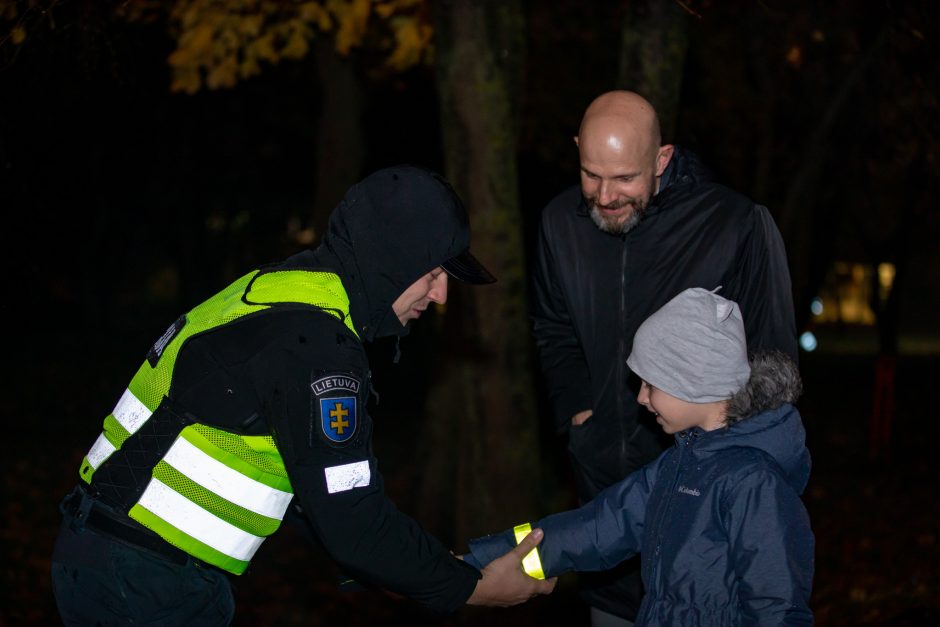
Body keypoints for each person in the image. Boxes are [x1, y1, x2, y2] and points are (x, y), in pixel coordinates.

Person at [51, 165, 556, 625]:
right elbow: (352, 521)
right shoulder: (318, 348)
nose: (441, 295)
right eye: (433, 273)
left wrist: (421, 568)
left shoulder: (281, 291)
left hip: (111, 557)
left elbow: (317, 501)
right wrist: (473, 590)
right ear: (390, 261)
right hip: (144, 582)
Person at [531, 90, 798, 624]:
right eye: (591, 174)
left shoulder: (734, 224)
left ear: (662, 159)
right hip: (603, 494)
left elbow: (772, 369)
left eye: (625, 178)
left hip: (701, 506)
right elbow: (553, 329)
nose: (605, 196)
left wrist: (720, 466)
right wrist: (581, 416)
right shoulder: (560, 222)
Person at [464, 287, 815, 625]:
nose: (641, 398)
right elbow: (595, 528)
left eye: (651, 384)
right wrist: (481, 559)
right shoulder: (678, 465)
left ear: (692, 383)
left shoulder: (754, 484)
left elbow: (777, 608)